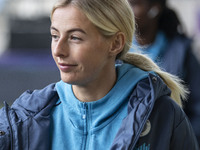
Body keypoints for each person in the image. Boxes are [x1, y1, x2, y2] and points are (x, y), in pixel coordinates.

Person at [0, 0, 199, 149]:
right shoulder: (23, 119)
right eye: (54, 36)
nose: (58, 50)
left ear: (115, 44)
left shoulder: (164, 116)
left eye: (75, 37)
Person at [128, 0, 200, 145]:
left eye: (134, 5)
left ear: (154, 9)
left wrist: (181, 141)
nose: (127, 11)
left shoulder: (182, 52)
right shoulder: (118, 50)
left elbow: (197, 108)